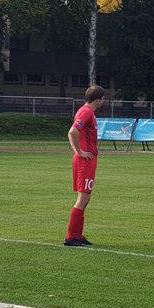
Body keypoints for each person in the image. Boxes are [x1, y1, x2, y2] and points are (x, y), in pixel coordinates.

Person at [64, 85, 106, 247]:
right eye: (103, 99)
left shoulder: (87, 111)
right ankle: (71, 237)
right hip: (85, 160)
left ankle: (77, 235)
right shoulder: (86, 112)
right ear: (98, 99)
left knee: (86, 198)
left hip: (87, 159)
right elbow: (72, 132)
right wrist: (79, 151)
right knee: (83, 198)